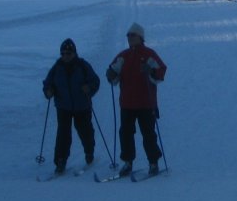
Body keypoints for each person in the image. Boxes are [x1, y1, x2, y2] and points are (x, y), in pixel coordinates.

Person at [105, 23, 166, 176]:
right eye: (128, 36)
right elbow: (113, 72)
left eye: (133, 35)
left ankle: (153, 163)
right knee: (125, 134)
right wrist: (110, 75)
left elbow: (161, 71)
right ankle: (127, 162)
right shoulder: (123, 56)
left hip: (146, 103)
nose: (130, 38)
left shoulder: (149, 54)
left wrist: (151, 70)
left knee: (148, 134)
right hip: (127, 103)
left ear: (140, 37)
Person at [42, 38, 101, 173]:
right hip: (63, 107)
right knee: (63, 134)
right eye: (63, 53)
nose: (65, 56)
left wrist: (89, 89)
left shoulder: (83, 66)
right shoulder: (57, 67)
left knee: (85, 131)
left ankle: (89, 152)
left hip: (82, 106)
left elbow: (95, 81)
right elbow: (47, 83)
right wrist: (48, 91)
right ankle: (60, 161)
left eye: (68, 53)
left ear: (74, 53)